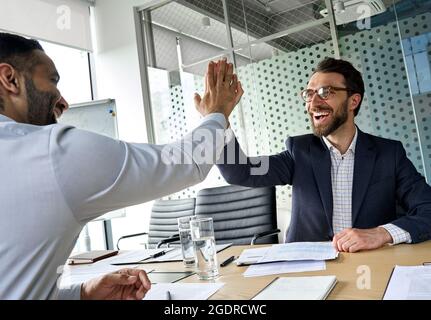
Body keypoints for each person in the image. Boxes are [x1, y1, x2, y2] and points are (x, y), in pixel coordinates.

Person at [0, 32, 243, 299]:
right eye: (52, 81)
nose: (63, 102)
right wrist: (217, 113)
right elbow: (185, 163)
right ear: (9, 79)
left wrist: (83, 294)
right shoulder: (49, 152)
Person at [217, 57, 431, 253]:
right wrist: (218, 119)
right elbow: (241, 171)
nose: (313, 103)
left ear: (353, 101)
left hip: (369, 265)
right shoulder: (298, 152)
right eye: (309, 94)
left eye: (325, 92)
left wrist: (382, 233)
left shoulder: (388, 154)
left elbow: (427, 209)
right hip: (306, 270)